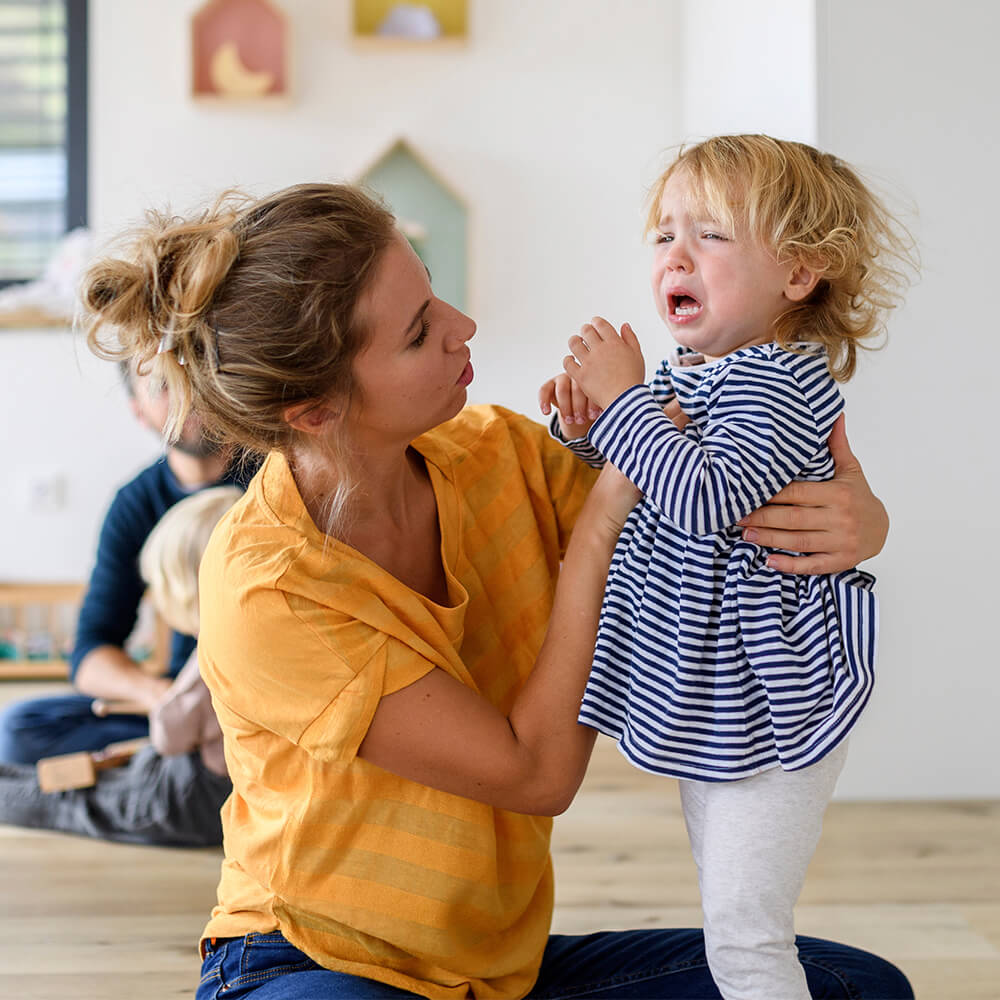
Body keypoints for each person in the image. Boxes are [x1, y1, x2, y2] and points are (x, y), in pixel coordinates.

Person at [80, 182, 912, 999]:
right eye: (418, 332)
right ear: (313, 411)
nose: (464, 328)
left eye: (435, 295)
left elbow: (704, 520)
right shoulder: (268, 586)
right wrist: (597, 531)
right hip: (313, 965)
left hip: (499, 972)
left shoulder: (493, 451)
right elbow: (536, 774)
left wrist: (859, 519)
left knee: (853, 987)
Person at [539, 134, 916, 999]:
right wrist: (584, 429)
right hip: (718, 695)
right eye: (666, 233)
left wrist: (628, 404)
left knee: (747, 940)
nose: (676, 253)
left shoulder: (780, 384)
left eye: (710, 235)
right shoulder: (706, 375)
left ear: (798, 274)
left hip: (772, 700)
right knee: (730, 925)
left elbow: (702, 494)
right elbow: (649, 481)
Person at [0, 364, 256, 765]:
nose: (185, 394)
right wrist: (165, 699)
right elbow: (90, 653)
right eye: (161, 386)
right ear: (139, 411)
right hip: (182, 698)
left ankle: (166, 775)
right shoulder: (134, 503)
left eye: (193, 374)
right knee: (18, 729)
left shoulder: (276, 474)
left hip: (263, 694)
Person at [0, 486, 238, 846]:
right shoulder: (251, 636)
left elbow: (169, 735)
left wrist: (164, 717)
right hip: (193, 779)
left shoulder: (213, 651)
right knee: (44, 751)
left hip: (189, 796)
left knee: (71, 803)